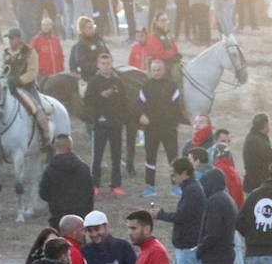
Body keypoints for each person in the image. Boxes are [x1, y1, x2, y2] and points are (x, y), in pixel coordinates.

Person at [150, 158, 205, 264]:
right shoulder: (192, 188)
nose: (173, 178)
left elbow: (182, 216)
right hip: (191, 244)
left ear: (184, 173)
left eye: (174, 174)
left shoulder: (192, 190)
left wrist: (161, 215)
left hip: (188, 246)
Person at [137, 59, 180, 196]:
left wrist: (173, 124)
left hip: (168, 128)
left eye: (159, 70)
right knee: (150, 157)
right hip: (151, 129)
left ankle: (176, 186)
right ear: (151, 70)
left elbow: (177, 108)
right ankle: (150, 187)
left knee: (173, 158)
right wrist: (141, 115)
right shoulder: (146, 86)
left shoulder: (172, 86)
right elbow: (139, 105)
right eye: (154, 70)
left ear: (164, 70)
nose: (156, 72)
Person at [86, 53, 127, 194]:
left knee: (116, 156)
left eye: (108, 63)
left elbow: (124, 101)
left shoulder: (118, 81)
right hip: (100, 125)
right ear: (98, 65)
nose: (105, 66)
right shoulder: (93, 82)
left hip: (115, 125)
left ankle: (115, 185)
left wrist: (121, 119)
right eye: (103, 63)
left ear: (112, 63)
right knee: (97, 157)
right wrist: (100, 97)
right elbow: (88, 101)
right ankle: (95, 185)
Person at [40, 135, 97, 227]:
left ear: (55, 147)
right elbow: (90, 192)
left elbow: (43, 194)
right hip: (79, 217)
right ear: (70, 146)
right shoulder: (83, 168)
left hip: (57, 217)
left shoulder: (50, 169)